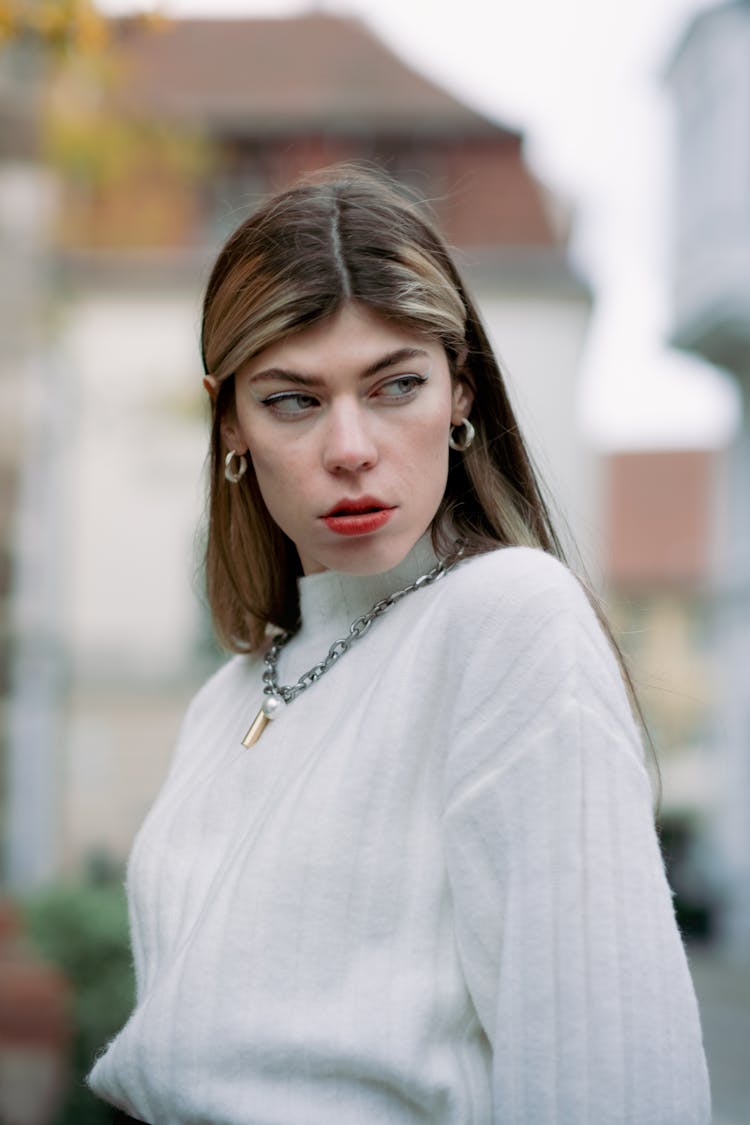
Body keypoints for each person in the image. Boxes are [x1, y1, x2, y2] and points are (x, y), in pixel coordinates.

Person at [88, 168, 710, 1124]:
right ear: (230, 424)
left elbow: (613, 1074)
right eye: (293, 400)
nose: (350, 446)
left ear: (459, 391)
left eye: (396, 385)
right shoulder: (225, 697)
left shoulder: (508, 619)